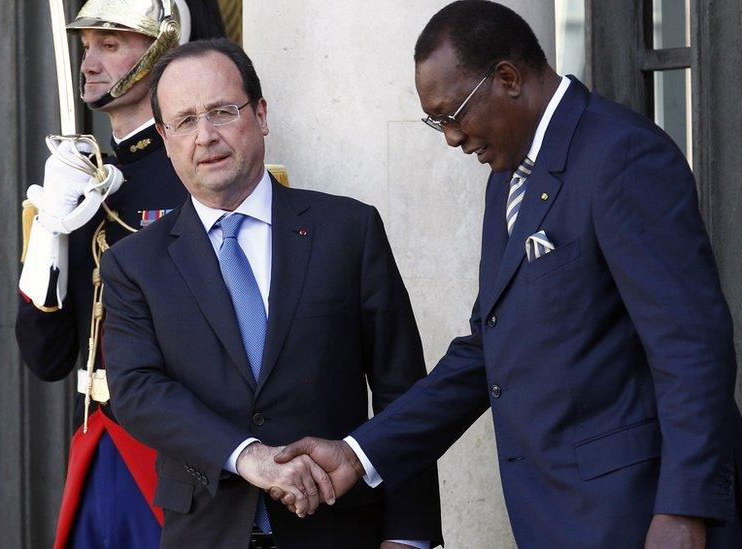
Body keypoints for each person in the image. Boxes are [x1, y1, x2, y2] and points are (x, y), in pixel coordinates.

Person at [275, 2, 742, 548]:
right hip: (554, 518)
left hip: (639, 517)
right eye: (435, 122)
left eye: (453, 114)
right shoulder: (507, 175)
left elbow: (692, 349)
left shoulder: (623, 156)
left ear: (507, 78)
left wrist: (687, 509)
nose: (450, 137)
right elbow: (486, 353)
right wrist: (359, 453)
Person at [100, 38, 443, 549]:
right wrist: (248, 454)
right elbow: (138, 391)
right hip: (206, 531)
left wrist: (412, 536)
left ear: (260, 114)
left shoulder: (349, 230)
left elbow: (404, 393)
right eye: (185, 121)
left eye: (222, 111)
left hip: (343, 530)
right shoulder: (133, 263)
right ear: (167, 140)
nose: (206, 136)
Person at [14, 1, 227, 547]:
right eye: (87, 47)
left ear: (163, 47)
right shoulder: (80, 181)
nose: (88, 64)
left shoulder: (202, 177)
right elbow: (46, 356)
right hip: (97, 444)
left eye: (110, 45)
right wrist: (50, 230)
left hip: (181, 457)